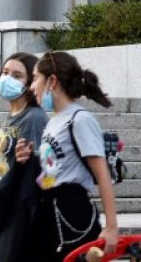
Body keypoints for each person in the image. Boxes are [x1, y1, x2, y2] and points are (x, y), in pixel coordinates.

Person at [15, 50, 120, 262]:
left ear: (52, 81)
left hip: (72, 213)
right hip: (47, 210)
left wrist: (111, 227)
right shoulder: (53, 121)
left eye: (36, 78)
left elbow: (102, 175)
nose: (32, 86)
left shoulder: (80, 120)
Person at [0, 53, 49, 262]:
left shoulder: (33, 118)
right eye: (5, 73)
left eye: (17, 75)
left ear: (30, 82)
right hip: (1, 209)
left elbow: (26, 176)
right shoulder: (12, 115)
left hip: (11, 216)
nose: (8, 79)